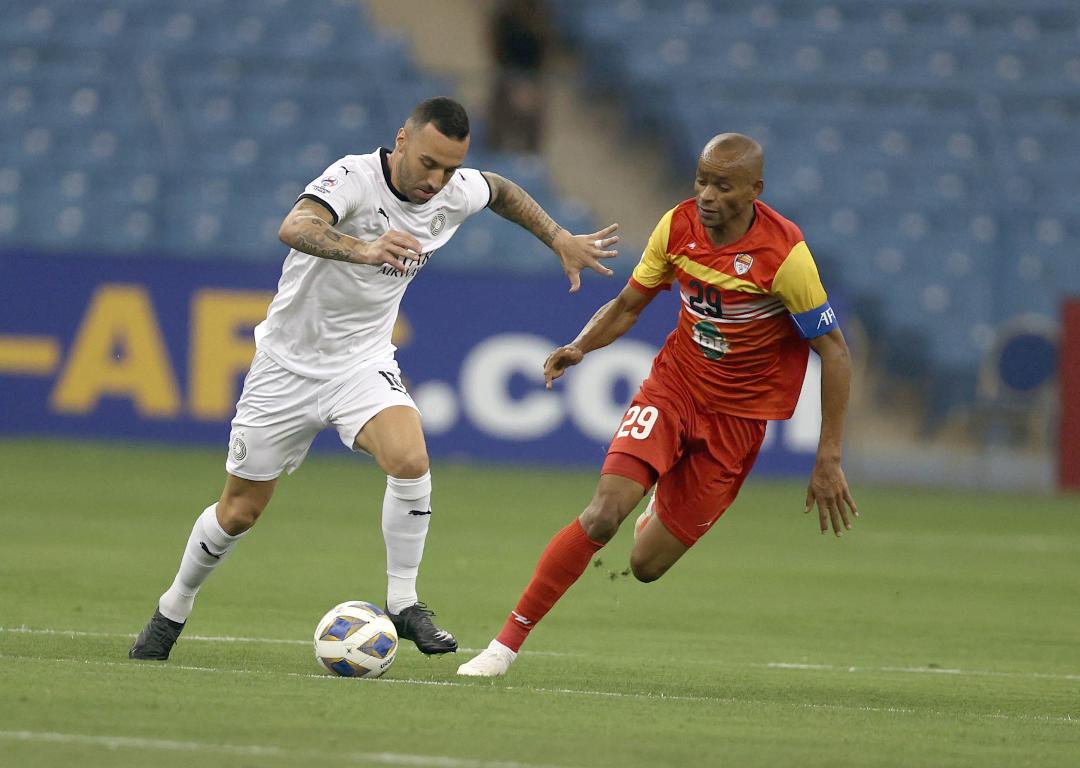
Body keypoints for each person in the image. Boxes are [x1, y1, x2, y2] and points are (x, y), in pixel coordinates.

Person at [129, 97, 620, 661]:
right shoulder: (354, 177)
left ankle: (404, 603)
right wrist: (364, 250)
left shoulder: (454, 191)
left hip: (361, 364)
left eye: (451, 169)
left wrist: (558, 237)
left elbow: (502, 190)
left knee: (410, 458)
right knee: (238, 511)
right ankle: (174, 608)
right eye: (429, 164)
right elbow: (295, 225)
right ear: (402, 140)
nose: (438, 182)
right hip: (285, 368)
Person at [457, 133, 857, 677]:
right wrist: (580, 345)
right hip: (675, 389)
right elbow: (628, 305)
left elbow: (833, 352)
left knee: (645, 567)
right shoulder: (677, 227)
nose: (707, 195)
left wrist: (827, 455)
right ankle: (503, 647)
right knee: (602, 514)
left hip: (737, 424)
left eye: (723, 185)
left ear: (756, 190)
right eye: (701, 180)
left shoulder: (785, 257)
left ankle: (661, 503)